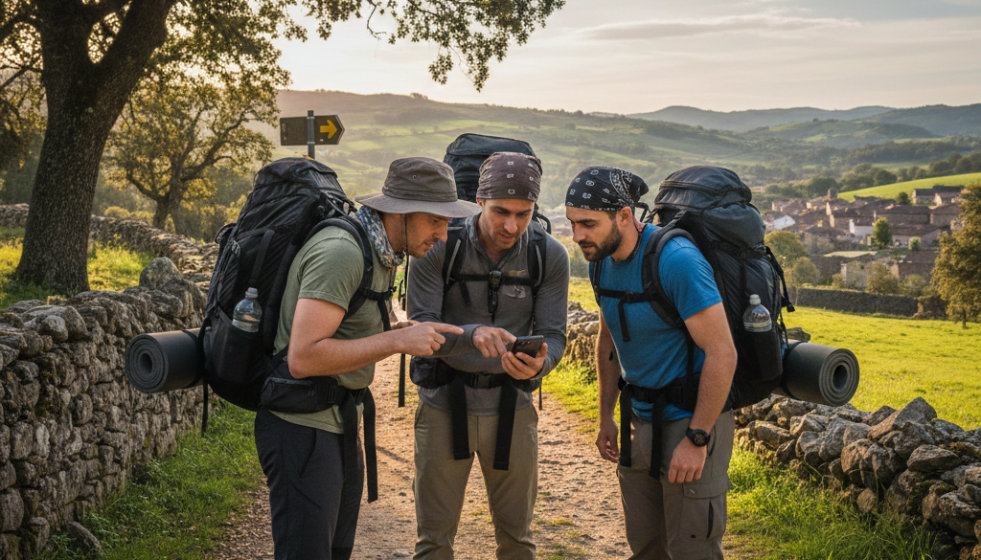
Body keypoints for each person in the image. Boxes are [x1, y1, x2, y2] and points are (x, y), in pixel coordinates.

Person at [254, 157, 480, 560]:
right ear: (401, 212)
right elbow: (303, 358)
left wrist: (404, 333)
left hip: (337, 421)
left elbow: (348, 329)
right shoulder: (342, 251)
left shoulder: (381, 251)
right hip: (302, 426)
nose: (443, 236)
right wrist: (397, 343)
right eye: (435, 221)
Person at [564, 166, 738, 560]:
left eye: (588, 224)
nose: (578, 237)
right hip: (637, 419)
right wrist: (605, 415)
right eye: (573, 224)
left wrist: (697, 439)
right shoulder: (600, 260)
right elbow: (609, 340)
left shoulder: (676, 260)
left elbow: (723, 352)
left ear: (625, 215)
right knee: (645, 546)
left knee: (691, 550)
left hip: (690, 420)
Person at [407, 152, 570, 560]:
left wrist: (541, 364)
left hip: (513, 407)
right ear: (479, 201)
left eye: (524, 213)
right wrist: (471, 335)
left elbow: (555, 334)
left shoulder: (549, 255)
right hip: (444, 403)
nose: (511, 226)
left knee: (518, 540)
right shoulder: (439, 246)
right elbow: (419, 327)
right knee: (433, 541)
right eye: (500, 211)